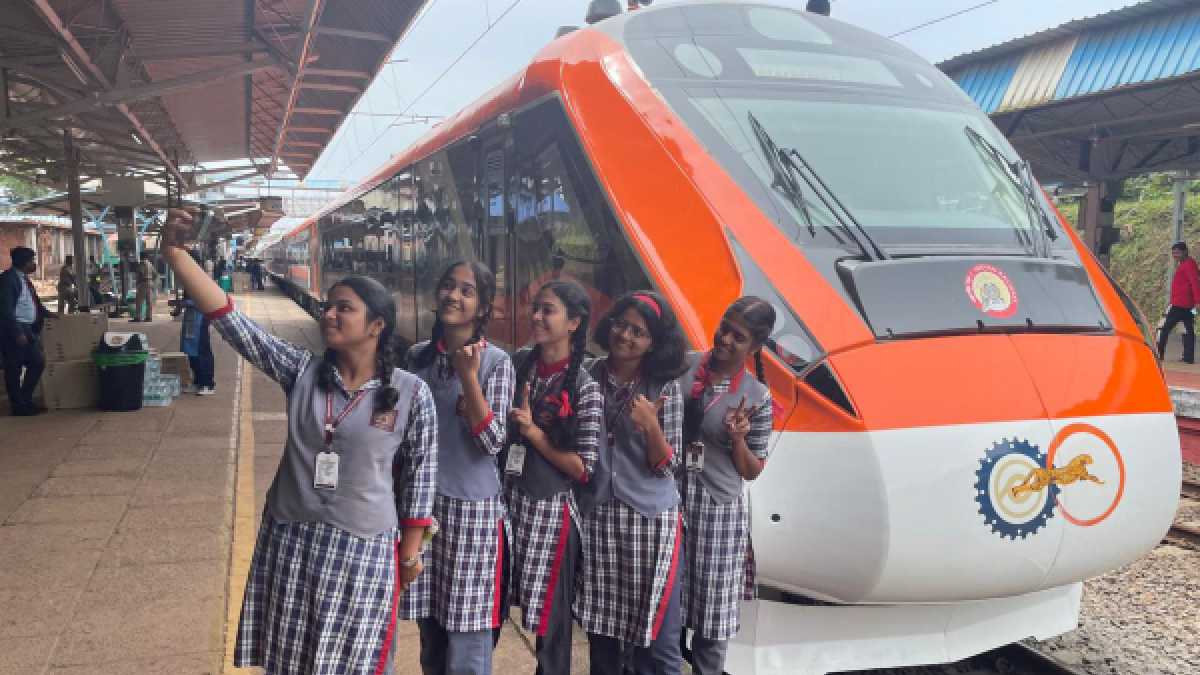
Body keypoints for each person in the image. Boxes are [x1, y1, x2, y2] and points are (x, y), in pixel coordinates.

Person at [158, 209, 438, 674]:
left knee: (353, 662)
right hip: (292, 541)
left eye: (344, 308)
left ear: (377, 325)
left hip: (363, 551)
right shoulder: (302, 371)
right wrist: (175, 254)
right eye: (328, 305)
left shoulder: (411, 393)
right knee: (292, 659)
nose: (329, 314)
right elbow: (233, 323)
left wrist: (409, 556)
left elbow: (421, 479)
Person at [402, 261, 514, 675]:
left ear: (482, 308)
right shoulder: (418, 358)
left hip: (472, 514)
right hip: (424, 509)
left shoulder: (496, 363)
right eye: (449, 286)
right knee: (431, 630)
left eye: (467, 291)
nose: (453, 295)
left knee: (468, 634)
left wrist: (469, 378)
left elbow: (493, 442)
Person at [577, 291, 687, 675]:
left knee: (656, 643)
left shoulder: (664, 387)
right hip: (599, 520)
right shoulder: (588, 374)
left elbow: (667, 467)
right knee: (602, 635)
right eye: (620, 324)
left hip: (649, 523)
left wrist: (652, 427)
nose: (624, 335)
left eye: (638, 331)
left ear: (653, 342)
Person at [505, 280, 603, 675]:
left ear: (574, 323)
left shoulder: (585, 387)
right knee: (493, 604)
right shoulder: (519, 364)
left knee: (552, 625)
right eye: (535, 308)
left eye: (548, 310)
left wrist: (533, 434)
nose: (536, 317)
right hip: (509, 503)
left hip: (551, 513)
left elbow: (583, 467)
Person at [677, 297, 776, 675]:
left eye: (739, 337)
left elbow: (752, 470)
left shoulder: (757, 397)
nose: (725, 339)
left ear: (755, 346)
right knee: (664, 610)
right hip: (671, 501)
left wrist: (737, 439)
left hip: (717, 514)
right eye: (724, 329)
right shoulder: (684, 366)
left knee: (710, 623)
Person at [0, 247, 50, 416]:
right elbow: (5, 310)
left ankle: (25, 400)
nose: (34, 264)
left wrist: (49, 314)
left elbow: (33, 302)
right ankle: (18, 406)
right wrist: (16, 332)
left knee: (37, 362)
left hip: (28, 328)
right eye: (31, 261)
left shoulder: (23, 279)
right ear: (23, 262)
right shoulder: (8, 280)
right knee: (14, 369)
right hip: (15, 329)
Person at [1158, 241, 1200, 364]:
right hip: (1187, 305)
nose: (1175, 255)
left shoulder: (1188, 265)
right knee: (1187, 330)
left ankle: (1159, 354)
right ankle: (1188, 357)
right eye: (1173, 253)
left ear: (1185, 251)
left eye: (1177, 253)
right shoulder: (1187, 263)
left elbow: (1195, 283)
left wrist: (1198, 301)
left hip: (1180, 305)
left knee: (1164, 328)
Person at [180, 291, 216, 395]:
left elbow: (206, 301)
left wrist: (186, 303)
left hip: (200, 319)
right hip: (190, 318)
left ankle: (207, 384)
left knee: (201, 351)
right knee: (190, 352)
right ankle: (197, 382)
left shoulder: (203, 283)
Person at [131, 251, 157, 322]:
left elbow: (141, 273)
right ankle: (149, 317)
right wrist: (152, 281)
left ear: (141, 256)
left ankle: (138, 317)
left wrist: (138, 283)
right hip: (150, 283)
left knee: (139, 301)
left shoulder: (142, 263)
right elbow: (155, 274)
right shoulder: (150, 264)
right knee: (149, 301)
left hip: (143, 283)